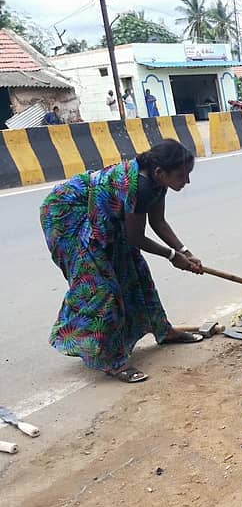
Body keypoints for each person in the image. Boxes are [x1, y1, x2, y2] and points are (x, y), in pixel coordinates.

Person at [40, 139, 204, 384]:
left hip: (104, 218)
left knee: (136, 273)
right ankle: (111, 360)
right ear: (161, 172)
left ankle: (164, 330)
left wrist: (184, 251)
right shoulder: (137, 186)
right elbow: (136, 237)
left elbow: (158, 222)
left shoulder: (158, 183)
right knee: (101, 288)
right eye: (182, 175)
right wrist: (172, 257)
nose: (186, 181)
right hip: (68, 216)